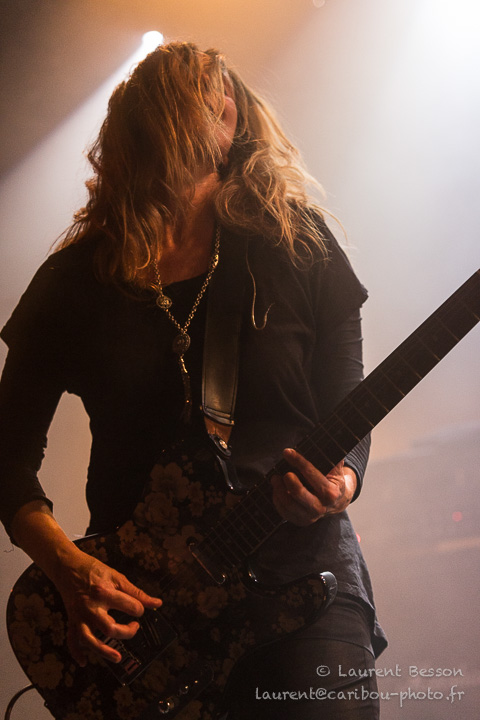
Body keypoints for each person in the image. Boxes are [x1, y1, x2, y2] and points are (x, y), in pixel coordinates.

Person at [0, 41, 386, 719]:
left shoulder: (296, 244)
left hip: (302, 582)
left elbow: (349, 405)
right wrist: (67, 569)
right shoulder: (76, 281)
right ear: (136, 124)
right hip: (147, 617)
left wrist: (340, 483)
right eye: (194, 92)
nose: (222, 100)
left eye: (223, 93)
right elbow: (5, 455)